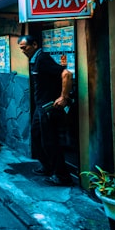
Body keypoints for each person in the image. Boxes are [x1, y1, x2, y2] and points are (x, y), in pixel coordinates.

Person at [18, 35, 73, 186]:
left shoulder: (42, 58)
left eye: (25, 47)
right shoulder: (35, 60)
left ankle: (62, 176)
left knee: (50, 141)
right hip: (39, 106)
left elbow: (67, 74)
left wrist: (63, 97)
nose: (23, 51)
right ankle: (47, 166)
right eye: (21, 48)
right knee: (36, 137)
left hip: (48, 106)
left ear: (34, 44)